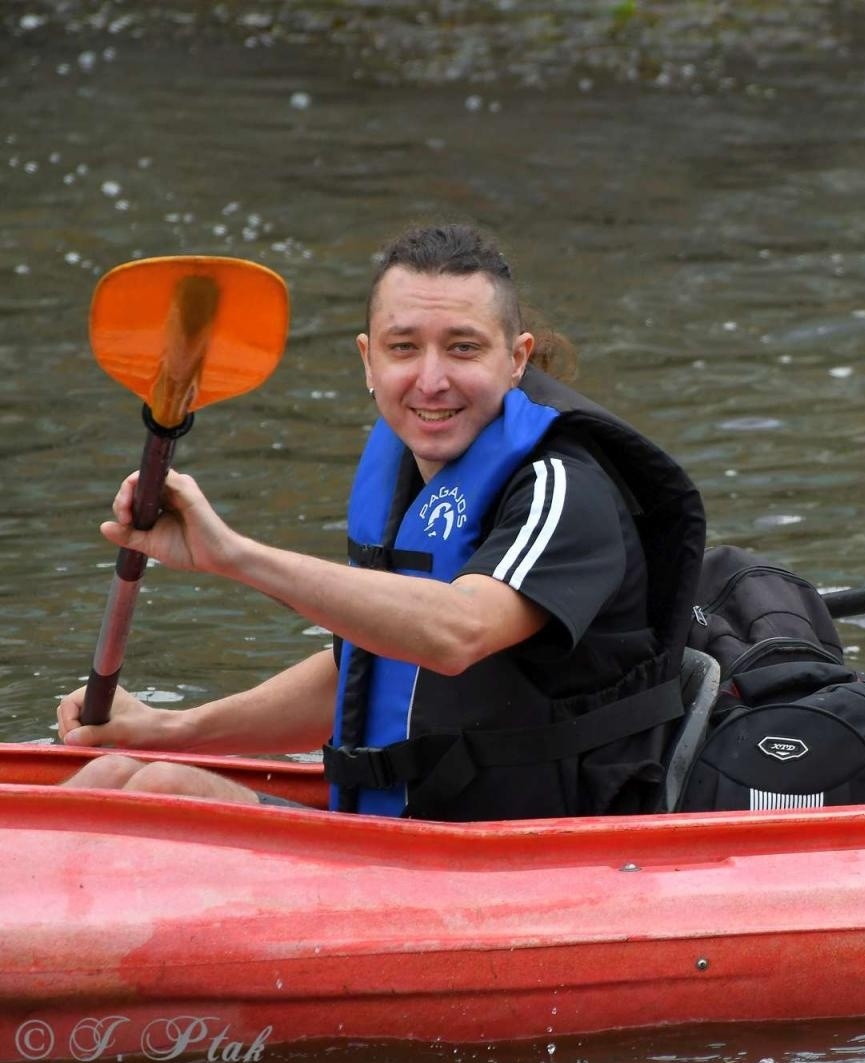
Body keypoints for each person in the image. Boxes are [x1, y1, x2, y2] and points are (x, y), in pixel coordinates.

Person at [56, 224, 705, 821]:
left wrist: (232, 554)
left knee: (167, 795)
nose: (431, 380)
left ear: (517, 358)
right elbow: (360, 675)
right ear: (369, 360)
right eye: (403, 348)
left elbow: (458, 632)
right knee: (116, 774)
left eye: (463, 348)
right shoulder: (408, 473)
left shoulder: (562, 487)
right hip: (407, 832)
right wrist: (169, 729)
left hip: (530, 849)